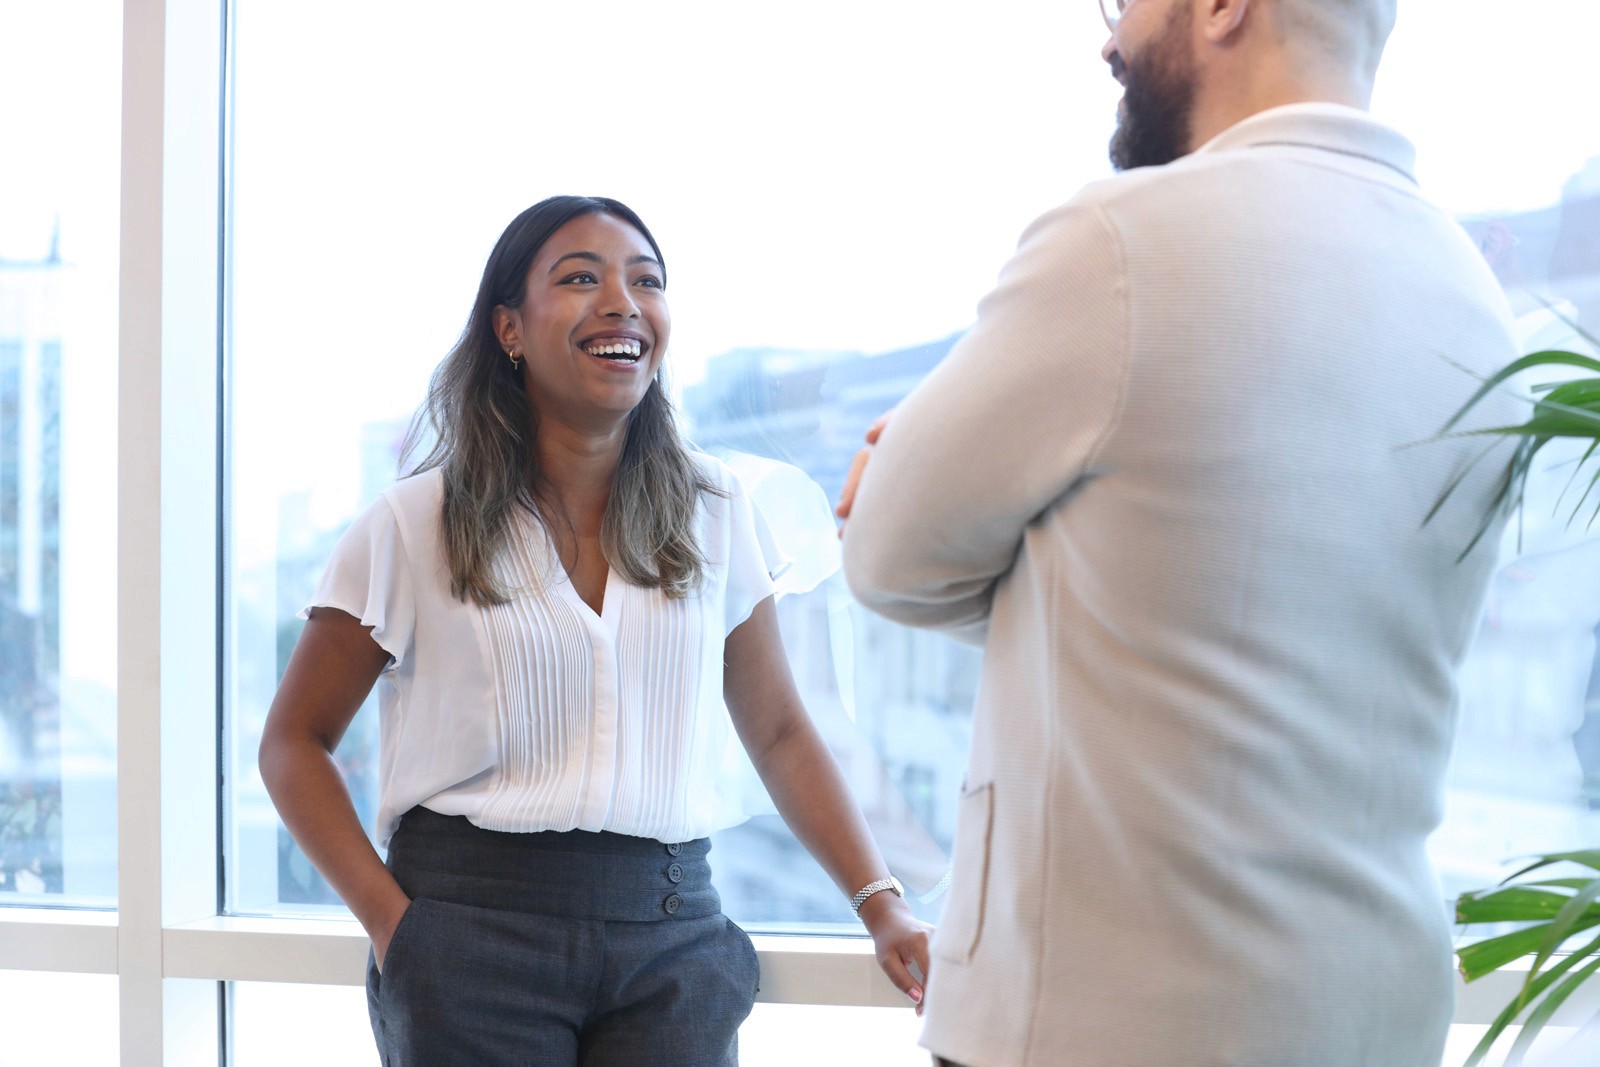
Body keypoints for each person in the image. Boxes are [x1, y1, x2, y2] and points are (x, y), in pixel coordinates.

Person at [837, 1, 1523, 1065]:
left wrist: (946, 485)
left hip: (1106, 1024)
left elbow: (884, 554)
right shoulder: (1480, 305)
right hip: (1376, 1017)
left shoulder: (1120, 243)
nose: (1107, 39)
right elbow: (1257, 611)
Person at [259, 195, 931, 1066]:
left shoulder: (716, 510)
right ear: (510, 327)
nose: (622, 301)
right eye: (580, 279)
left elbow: (779, 728)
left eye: (645, 281)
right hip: (469, 935)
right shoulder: (414, 521)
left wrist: (880, 901)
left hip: (671, 939)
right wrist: (397, 929)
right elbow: (293, 742)